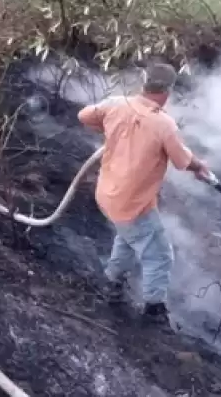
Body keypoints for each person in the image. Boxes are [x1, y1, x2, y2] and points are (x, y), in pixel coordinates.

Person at [77, 62, 210, 326]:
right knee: (159, 255)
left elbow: (84, 116)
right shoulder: (164, 124)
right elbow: (182, 159)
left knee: (127, 238)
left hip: (107, 195)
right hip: (131, 203)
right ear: (168, 91)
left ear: (144, 84)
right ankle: (154, 310)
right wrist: (200, 167)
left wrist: (110, 130)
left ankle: (112, 283)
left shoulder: (116, 104)